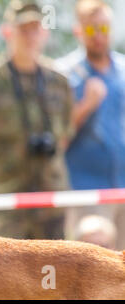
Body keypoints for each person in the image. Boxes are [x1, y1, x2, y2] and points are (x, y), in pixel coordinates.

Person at [0, 0, 74, 240]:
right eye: (23, 29)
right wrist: (1, 160)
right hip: (5, 200)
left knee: (52, 272)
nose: (30, 36)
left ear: (45, 32)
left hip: (50, 199)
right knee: (7, 273)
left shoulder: (59, 80)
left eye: (36, 28)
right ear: (7, 31)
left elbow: (66, 133)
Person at [57, 0, 125, 250]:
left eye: (104, 29)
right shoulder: (64, 74)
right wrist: (85, 105)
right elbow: (57, 138)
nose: (98, 36)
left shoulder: (122, 69)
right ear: (78, 31)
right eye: (90, 29)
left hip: (122, 184)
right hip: (86, 187)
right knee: (93, 264)